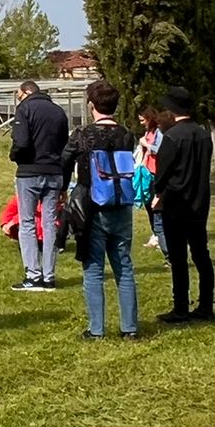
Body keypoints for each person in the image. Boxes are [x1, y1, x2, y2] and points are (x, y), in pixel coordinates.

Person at [62, 80, 140, 340]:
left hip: (93, 207)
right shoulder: (127, 135)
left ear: (91, 105)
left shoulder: (83, 135)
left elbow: (64, 161)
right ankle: (129, 328)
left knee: (93, 268)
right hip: (121, 205)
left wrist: (63, 191)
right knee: (124, 267)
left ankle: (96, 329)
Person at [151, 87, 214, 323]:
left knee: (178, 258)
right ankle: (206, 305)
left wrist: (159, 191)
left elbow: (162, 172)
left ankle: (181, 307)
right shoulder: (202, 133)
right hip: (200, 201)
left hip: (177, 203)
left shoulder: (173, 137)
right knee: (201, 254)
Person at [8, 79, 70, 292]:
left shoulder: (24, 109)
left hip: (29, 172)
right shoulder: (59, 111)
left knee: (27, 222)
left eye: (19, 95)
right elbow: (66, 148)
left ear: (26, 92)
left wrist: (14, 156)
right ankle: (49, 275)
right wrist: (66, 181)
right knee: (49, 222)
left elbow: (22, 142)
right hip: (54, 171)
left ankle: (33, 275)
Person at [136, 104, 167, 258]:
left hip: (157, 173)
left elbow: (159, 149)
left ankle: (161, 234)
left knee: (157, 207)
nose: (141, 123)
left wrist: (146, 144)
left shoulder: (159, 132)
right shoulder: (148, 131)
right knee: (148, 204)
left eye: (143, 120)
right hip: (147, 172)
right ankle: (156, 233)